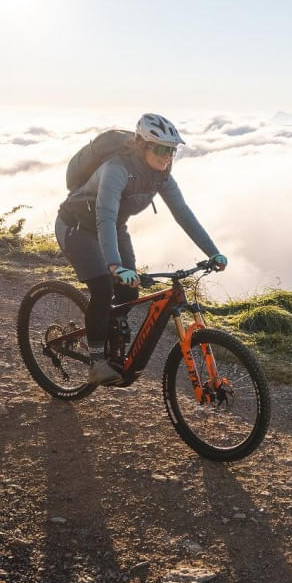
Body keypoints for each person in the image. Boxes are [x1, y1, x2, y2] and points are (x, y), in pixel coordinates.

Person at [55, 113, 227, 385]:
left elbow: (184, 214)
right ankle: (97, 361)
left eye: (172, 150)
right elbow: (105, 217)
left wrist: (212, 252)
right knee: (103, 287)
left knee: (129, 290)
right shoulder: (116, 168)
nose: (167, 156)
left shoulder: (162, 177)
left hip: (115, 229)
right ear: (142, 145)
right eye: (160, 148)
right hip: (77, 228)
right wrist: (114, 265)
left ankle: (111, 339)